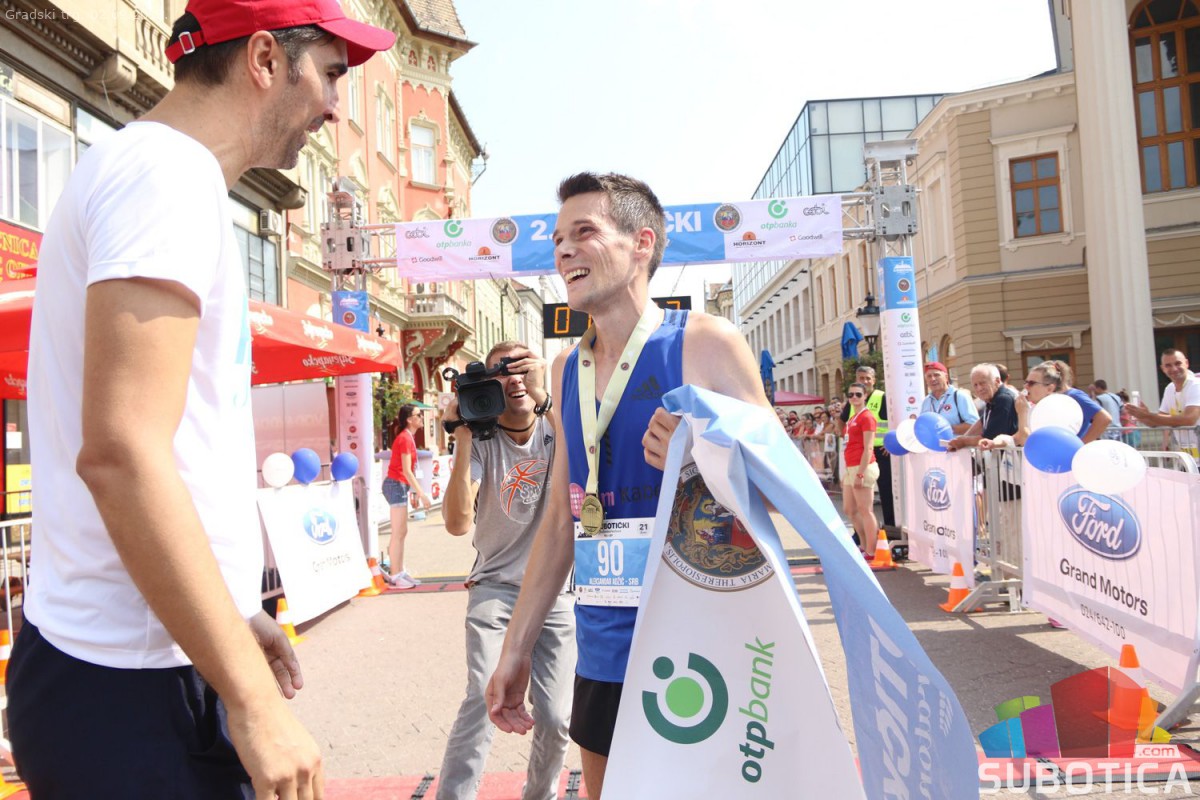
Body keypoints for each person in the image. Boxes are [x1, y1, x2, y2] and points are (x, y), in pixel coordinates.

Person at [10, 2, 394, 796]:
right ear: (265, 59)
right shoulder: (169, 176)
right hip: (129, 688)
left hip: (131, 669)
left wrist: (230, 614)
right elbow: (122, 454)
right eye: (329, 74)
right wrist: (252, 701)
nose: (332, 106)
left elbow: (165, 447)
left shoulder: (152, 170)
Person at [484, 172, 768, 800]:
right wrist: (516, 647)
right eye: (558, 239)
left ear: (642, 244)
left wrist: (701, 459)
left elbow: (782, 488)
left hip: (703, 637)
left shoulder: (706, 343)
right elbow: (562, 519)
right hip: (605, 642)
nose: (563, 250)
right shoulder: (566, 368)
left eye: (583, 231)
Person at [436, 342, 575, 800]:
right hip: (495, 587)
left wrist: (545, 396)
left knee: (556, 715)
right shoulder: (482, 439)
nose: (513, 378)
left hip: (555, 590)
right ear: (486, 384)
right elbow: (457, 523)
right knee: (483, 693)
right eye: (501, 371)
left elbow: (586, 457)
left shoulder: (557, 426)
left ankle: (540, 794)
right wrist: (461, 437)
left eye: (521, 368)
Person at [384, 404, 432, 588]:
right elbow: (406, 470)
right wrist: (421, 494)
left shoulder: (408, 437)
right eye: (418, 414)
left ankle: (399, 571)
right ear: (410, 419)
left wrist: (415, 492)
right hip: (396, 484)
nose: (421, 417)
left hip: (400, 485)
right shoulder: (404, 438)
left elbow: (409, 471)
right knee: (398, 532)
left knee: (401, 531)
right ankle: (395, 575)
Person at [839, 366, 893, 528]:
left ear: (874, 380)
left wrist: (890, 443)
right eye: (861, 378)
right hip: (858, 453)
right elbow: (841, 420)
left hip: (880, 451)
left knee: (886, 491)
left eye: (868, 378)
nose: (865, 381)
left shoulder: (882, 397)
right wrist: (843, 434)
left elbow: (895, 420)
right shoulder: (853, 399)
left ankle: (889, 528)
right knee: (857, 501)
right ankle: (860, 532)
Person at [1124, 348, 1200, 455]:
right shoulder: (1169, 389)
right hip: (1189, 455)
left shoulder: (1196, 385)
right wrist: (1140, 415)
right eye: (1168, 365)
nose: (1174, 369)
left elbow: (1189, 419)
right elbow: (1157, 422)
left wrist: (1148, 415)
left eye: (1178, 363)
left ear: (1186, 363)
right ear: (1162, 369)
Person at [842, 382, 879, 552]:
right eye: (851, 395)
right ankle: (864, 545)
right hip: (851, 466)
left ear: (865, 396)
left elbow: (868, 447)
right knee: (849, 509)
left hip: (862, 466)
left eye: (858, 394)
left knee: (865, 510)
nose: (854, 397)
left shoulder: (867, 417)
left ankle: (871, 550)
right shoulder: (852, 418)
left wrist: (861, 473)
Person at [946, 363, 1018, 451]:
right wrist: (961, 439)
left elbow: (989, 438)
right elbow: (981, 422)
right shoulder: (992, 398)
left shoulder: (1003, 399)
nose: (979, 388)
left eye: (983, 383)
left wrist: (963, 441)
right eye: (975, 385)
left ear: (997, 381)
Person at [919, 361, 979, 435]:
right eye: (929, 376)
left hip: (958, 442)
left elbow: (975, 425)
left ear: (946, 377)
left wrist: (946, 430)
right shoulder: (926, 401)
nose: (933, 379)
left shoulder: (959, 396)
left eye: (936, 375)